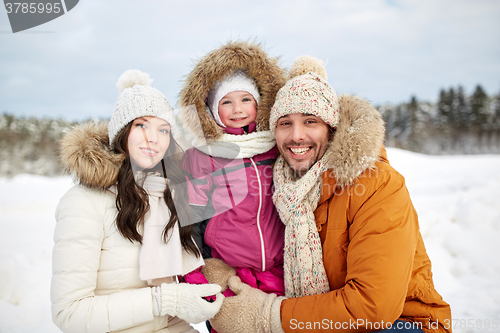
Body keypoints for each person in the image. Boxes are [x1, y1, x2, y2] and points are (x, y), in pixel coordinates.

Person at [207, 56, 452, 333]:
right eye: (285, 123)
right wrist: (220, 274)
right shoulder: (282, 183)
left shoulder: (376, 184)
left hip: (400, 324)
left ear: (331, 128)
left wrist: (268, 315)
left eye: (310, 121)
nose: (296, 136)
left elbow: (373, 307)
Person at [51, 70, 224, 333]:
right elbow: (69, 313)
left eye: (163, 129)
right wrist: (166, 300)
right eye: (141, 125)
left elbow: (169, 316)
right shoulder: (83, 203)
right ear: (122, 133)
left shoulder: (165, 196)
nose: (153, 138)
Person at [177, 41, 287, 330]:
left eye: (245, 99)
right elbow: (191, 222)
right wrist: (196, 275)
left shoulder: (275, 149)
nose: (237, 109)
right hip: (227, 274)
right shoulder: (203, 156)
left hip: (281, 274)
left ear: (260, 103)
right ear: (212, 111)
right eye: (226, 102)